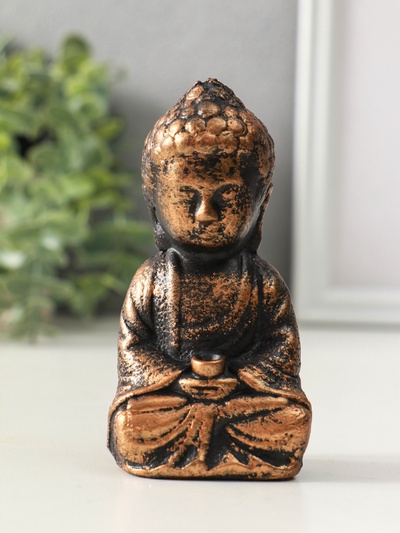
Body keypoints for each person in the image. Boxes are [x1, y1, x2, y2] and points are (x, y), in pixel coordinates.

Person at [108, 79, 311, 479]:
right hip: (174, 400)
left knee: (290, 420)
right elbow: (134, 348)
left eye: (227, 197)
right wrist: (180, 378)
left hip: (241, 400)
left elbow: (282, 348)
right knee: (131, 422)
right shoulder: (152, 280)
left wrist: (236, 377)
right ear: (154, 204)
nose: (205, 214)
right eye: (187, 197)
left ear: (261, 202)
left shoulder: (262, 282)